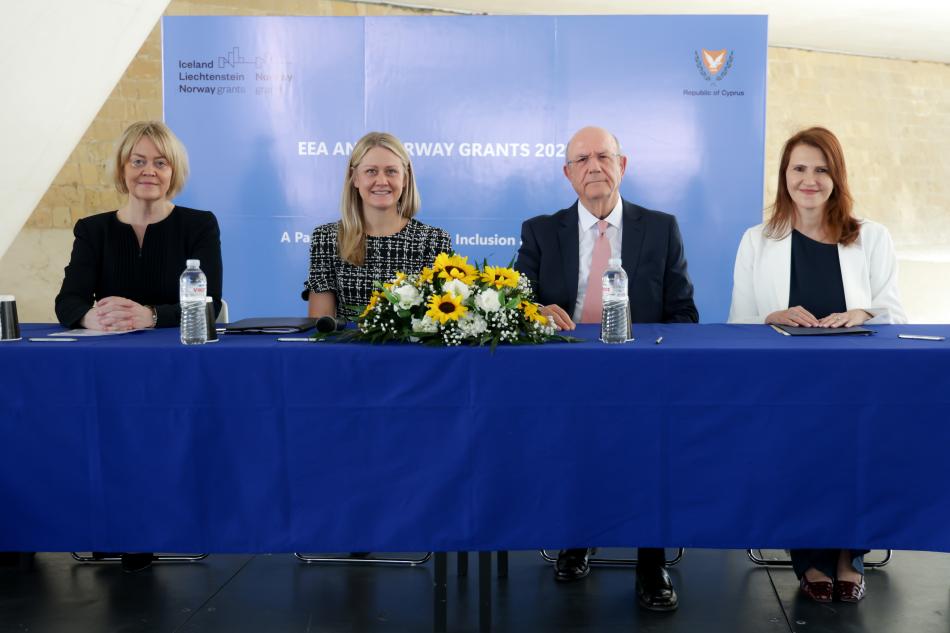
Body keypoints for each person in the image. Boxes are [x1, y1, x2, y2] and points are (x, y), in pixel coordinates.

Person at [515, 126, 698, 612]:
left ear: (623, 164)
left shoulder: (660, 227)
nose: (593, 166)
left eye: (603, 156)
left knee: (649, 452)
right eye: (582, 159)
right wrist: (535, 313)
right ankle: (577, 540)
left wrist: (657, 357)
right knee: (572, 447)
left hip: (643, 375)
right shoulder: (539, 230)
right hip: (566, 373)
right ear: (568, 174)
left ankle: (651, 561)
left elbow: (683, 313)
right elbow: (514, 305)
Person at [728, 126, 906, 602]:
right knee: (799, 461)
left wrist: (861, 312)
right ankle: (808, 562)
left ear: (836, 176)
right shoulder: (757, 240)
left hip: (858, 384)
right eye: (799, 169)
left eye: (821, 169)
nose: (809, 179)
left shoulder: (872, 236)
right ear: (785, 176)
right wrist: (770, 315)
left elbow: (894, 312)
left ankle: (850, 558)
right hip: (786, 387)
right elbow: (738, 322)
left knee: (858, 459)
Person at [54, 120, 223, 571]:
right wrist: (90, 316)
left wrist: (150, 316)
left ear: (174, 172)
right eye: (139, 161)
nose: (149, 171)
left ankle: (155, 528)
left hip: (176, 369)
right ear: (122, 169)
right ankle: (120, 530)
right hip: (109, 369)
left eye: (160, 162)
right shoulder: (92, 230)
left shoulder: (199, 225)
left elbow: (210, 305)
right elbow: (68, 300)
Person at [303, 131, 450, 319]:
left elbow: (438, 320)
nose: (381, 181)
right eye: (371, 171)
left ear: (405, 178)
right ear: (355, 177)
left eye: (391, 171)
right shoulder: (326, 238)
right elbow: (321, 323)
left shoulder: (434, 241)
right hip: (346, 348)